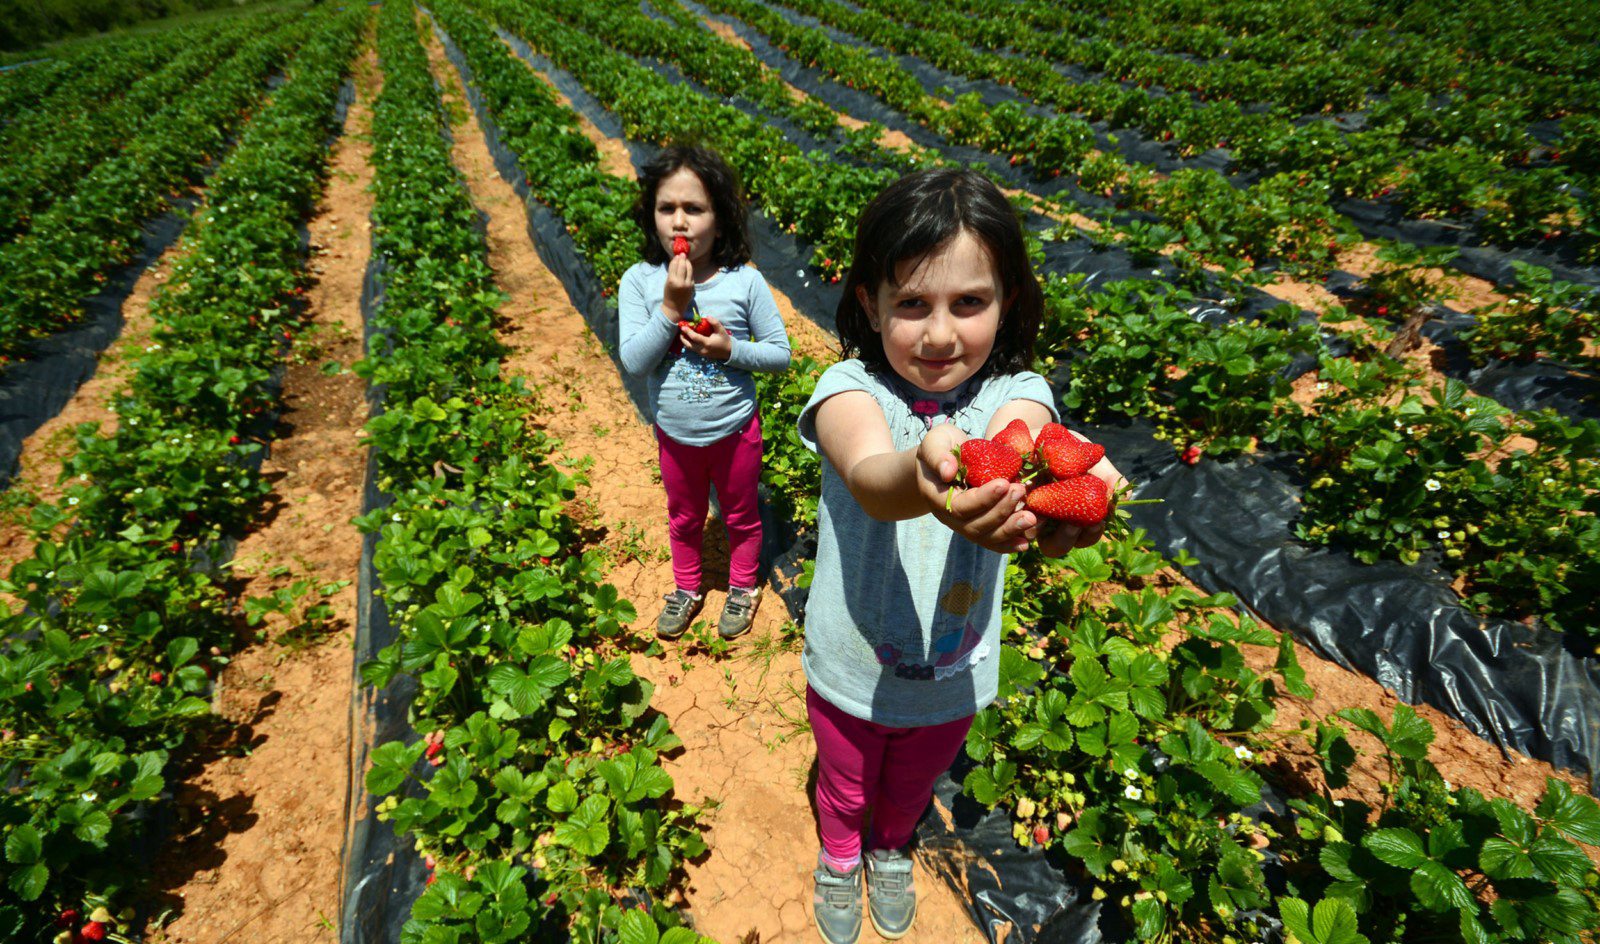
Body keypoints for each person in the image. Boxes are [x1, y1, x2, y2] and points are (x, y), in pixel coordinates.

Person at [796, 167, 1121, 943]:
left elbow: (1032, 433)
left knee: (912, 781)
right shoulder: (848, 391)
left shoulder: (1015, 395)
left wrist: (1085, 486)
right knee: (844, 781)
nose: (940, 333)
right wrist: (926, 473)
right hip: (851, 664)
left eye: (968, 303)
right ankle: (841, 851)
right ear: (869, 302)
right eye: (912, 303)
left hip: (955, 668)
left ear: (1006, 301)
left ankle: (890, 844)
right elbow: (875, 480)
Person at [618, 146, 791, 641]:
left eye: (693, 209)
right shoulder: (640, 282)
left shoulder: (745, 283)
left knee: (740, 514)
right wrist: (670, 309)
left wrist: (729, 349)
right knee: (684, 516)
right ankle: (687, 588)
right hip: (674, 435)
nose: (679, 222)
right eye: (666, 208)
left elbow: (780, 354)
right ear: (650, 215)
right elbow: (634, 362)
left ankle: (742, 587)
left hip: (735, 431)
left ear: (721, 218)